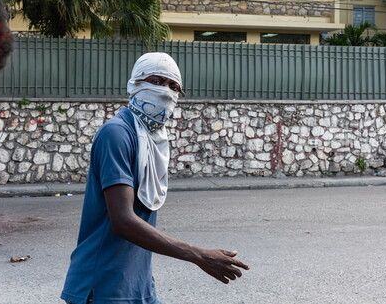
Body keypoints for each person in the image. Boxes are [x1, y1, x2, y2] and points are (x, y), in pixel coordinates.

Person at [61, 52, 249, 304]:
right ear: (136, 84)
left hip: (137, 285)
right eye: (157, 81)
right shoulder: (117, 133)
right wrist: (198, 255)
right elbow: (123, 220)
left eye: (173, 86)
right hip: (102, 286)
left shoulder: (153, 141)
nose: (166, 91)